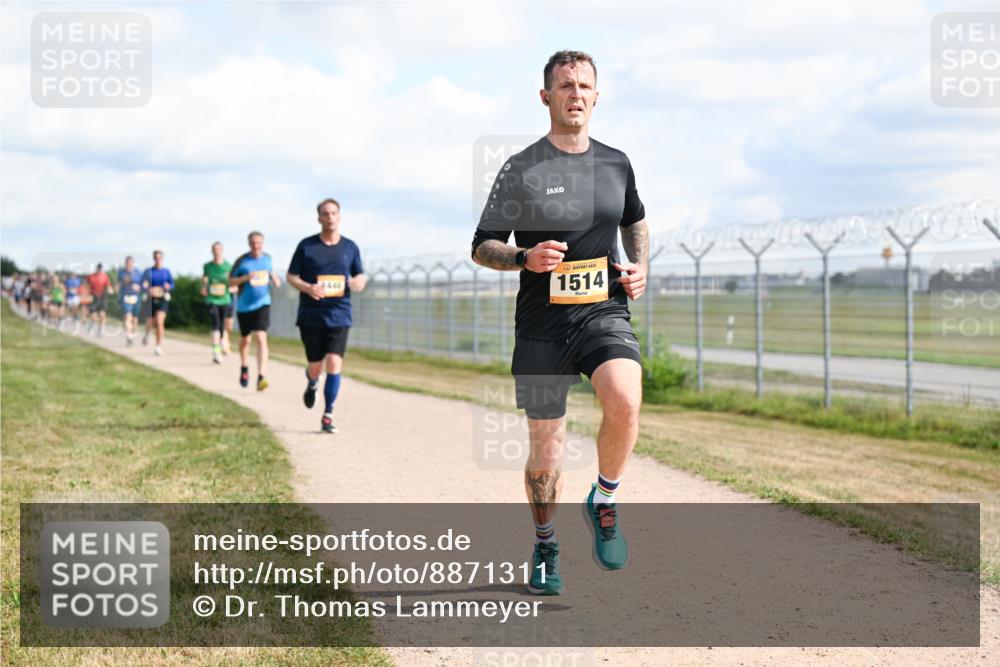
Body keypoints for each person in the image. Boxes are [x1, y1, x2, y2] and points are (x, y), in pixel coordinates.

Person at [471, 51, 649, 595]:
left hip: (603, 311)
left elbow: (635, 220)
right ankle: (546, 545)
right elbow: (482, 246)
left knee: (625, 397)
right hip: (542, 324)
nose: (576, 93)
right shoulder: (522, 168)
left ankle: (606, 499)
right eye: (566, 84)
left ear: (597, 96)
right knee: (547, 448)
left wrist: (640, 266)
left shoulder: (617, 163)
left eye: (585, 85)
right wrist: (523, 259)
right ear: (545, 96)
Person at [286, 198, 366, 434]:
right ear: (319, 218)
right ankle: (312, 382)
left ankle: (328, 414)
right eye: (325, 213)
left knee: (334, 362)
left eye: (333, 213)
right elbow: (292, 276)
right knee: (315, 366)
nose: (330, 217)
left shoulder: (350, 247)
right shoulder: (307, 246)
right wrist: (309, 288)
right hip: (311, 315)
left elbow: (360, 274)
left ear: (339, 216)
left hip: (340, 313)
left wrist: (359, 281)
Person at [229, 231, 281, 390]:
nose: (256, 246)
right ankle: (244, 367)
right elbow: (230, 281)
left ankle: (261, 376)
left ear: (262, 244)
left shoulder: (268, 259)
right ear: (249, 244)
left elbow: (272, 275)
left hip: (263, 303)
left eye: (259, 243)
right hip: (244, 306)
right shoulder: (242, 261)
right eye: (253, 243)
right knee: (246, 340)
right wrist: (245, 278)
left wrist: (275, 279)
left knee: (261, 337)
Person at [201, 242, 233, 364]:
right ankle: (216, 352)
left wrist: (233, 287)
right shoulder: (207, 266)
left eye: (219, 249)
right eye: (214, 249)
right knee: (215, 325)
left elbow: (232, 281)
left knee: (225, 326)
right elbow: (204, 279)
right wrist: (204, 287)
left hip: (225, 299)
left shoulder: (228, 266)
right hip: (212, 299)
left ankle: (224, 341)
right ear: (212, 251)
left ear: (222, 250)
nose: (216, 251)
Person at [141, 250, 173, 356]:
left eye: (159, 257)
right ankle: (146, 334)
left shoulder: (166, 271)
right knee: (150, 322)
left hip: (162, 298)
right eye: (156, 257)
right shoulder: (148, 271)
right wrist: (146, 288)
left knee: (159, 322)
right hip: (150, 299)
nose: (158, 259)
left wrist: (168, 287)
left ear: (162, 258)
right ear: (153, 258)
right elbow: (142, 284)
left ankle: (158, 346)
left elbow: (172, 284)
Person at [118, 256, 144, 345]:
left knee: (135, 320)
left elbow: (144, 284)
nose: (129, 264)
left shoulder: (139, 272)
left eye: (131, 262)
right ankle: (129, 336)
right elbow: (119, 283)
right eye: (127, 262)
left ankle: (132, 334)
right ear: (125, 263)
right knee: (127, 316)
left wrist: (140, 287)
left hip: (136, 297)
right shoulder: (121, 272)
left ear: (133, 263)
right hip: (126, 296)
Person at [87, 263, 114, 336]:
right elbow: (86, 286)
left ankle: (100, 330)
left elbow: (108, 285)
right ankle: (92, 325)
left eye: (100, 269)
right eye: (98, 268)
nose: (99, 270)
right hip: (93, 297)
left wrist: (110, 289)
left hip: (102, 297)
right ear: (96, 268)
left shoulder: (104, 276)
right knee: (94, 316)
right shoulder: (91, 276)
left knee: (102, 315)